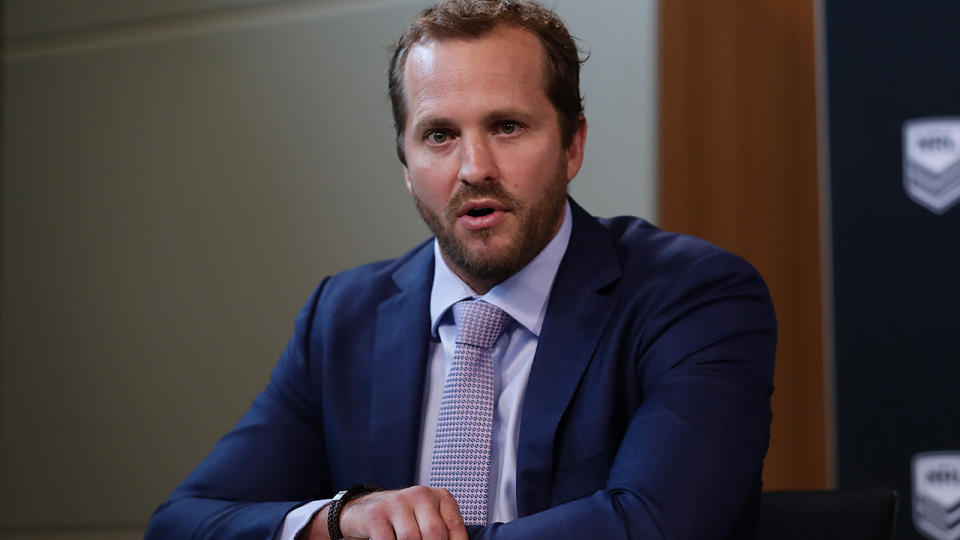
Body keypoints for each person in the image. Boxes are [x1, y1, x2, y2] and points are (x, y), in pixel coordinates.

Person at [146, 1, 777, 538]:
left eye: (506, 126)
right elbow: (182, 521)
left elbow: (651, 525)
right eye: (439, 135)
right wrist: (338, 521)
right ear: (405, 163)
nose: (474, 166)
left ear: (572, 144)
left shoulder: (693, 295)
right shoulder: (342, 317)